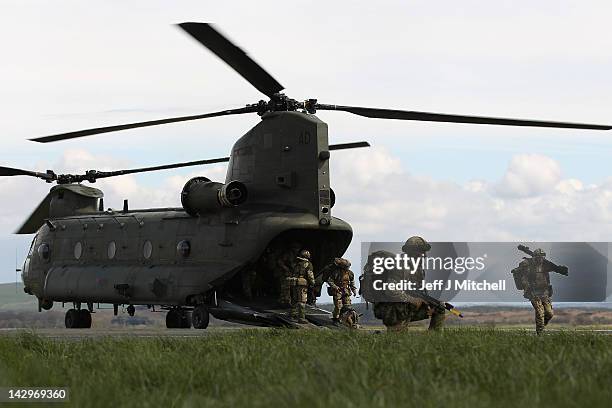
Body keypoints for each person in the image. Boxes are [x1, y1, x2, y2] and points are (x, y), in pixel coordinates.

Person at [370, 236, 446, 331]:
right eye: (422, 252)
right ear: (412, 252)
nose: (425, 256)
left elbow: (421, 291)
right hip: (390, 308)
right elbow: (391, 291)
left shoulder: (418, 269)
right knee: (397, 339)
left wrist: (428, 303)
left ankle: (434, 337)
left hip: (406, 306)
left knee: (439, 307)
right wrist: (412, 300)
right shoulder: (399, 265)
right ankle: (393, 331)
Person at [511, 248, 567, 335]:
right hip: (533, 293)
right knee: (540, 313)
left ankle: (541, 326)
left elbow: (555, 268)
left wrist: (561, 270)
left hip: (545, 292)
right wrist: (527, 287)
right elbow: (524, 278)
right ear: (535, 257)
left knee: (549, 313)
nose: (541, 259)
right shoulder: (527, 265)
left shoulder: (546, 264)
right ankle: (540, 334)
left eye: (542, 257)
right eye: (539, 257)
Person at [326, 258, 357, 323]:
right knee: (338, 306)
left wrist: (354, 290)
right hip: (338, 291)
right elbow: (330, 281)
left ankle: (345, 319)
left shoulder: (350, 273)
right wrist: (335, 287)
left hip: (346, 291)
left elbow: (352, 282)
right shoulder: (336, 272)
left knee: (347, 306)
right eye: (346, 267)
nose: (347, 268)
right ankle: (335, 319)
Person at [290, 249, 315, 323]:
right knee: (302, 301)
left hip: (295, 282)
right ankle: (301, 318)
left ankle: (292, 314)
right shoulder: (308, 264)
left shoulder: (297, 263)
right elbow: (310, 274)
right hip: (302, 284)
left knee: (294, 299)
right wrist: (312, 283)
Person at [276, 242, 301, 307]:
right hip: (285, 273)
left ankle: (287, 301)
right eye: (296, 248)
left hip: (292, 273)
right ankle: (284, 301)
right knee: (285, 288)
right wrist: (286, 268)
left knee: (291, 288)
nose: (297, 249)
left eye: (298, 248)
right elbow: (279, 261)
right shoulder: (287, 254)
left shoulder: (297, 255)